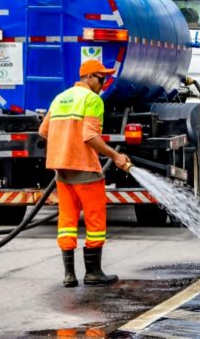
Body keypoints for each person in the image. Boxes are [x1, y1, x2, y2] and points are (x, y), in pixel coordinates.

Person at [38, 60, 131, 288]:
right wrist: (116, 156)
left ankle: (69, 275)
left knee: (67, 221)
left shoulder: (60, 98)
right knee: (95, 219)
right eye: (101, 78)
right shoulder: (92, 100)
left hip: (63, 170)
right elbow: (89, 136)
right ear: (88, 78)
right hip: (85, 169)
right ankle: (93, 272)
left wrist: (64, 145)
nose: (104, 83)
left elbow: (43, 131)